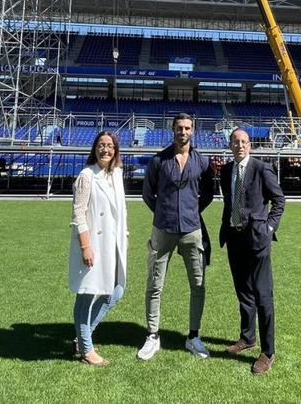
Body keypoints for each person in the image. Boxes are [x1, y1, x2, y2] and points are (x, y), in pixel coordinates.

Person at [205, 128, 285, 375]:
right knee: (243, 292)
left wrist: (269, 226)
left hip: (257, 239)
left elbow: (279, 200)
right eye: (235, 142)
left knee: (263, 295)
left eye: (244, 142)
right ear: (230, 145)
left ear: (250, 145)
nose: (240, 145)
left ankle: (268, 351)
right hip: (234, 238)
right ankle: (247, 337)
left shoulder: (261, 168)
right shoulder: (228, 170)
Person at [138, 113, 213, 360]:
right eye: (179, 127)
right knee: (155, 284)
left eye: (187, 127)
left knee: (198, 285)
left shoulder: (202, 161)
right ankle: (153, 335)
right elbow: (148, 194)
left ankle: (193, 337)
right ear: (173, 130)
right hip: (163, 229)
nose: (183, 131)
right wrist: (165, 212)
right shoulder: (159, 160)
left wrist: (190, 211)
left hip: (192, 230)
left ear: (193, 130)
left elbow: (209, 194)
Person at [68, 131, 128, 366]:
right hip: (92, 244)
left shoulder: (116, 174)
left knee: (115, 291)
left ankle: (82, 338)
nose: (106, 150)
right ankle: (86, 349)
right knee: (87, 296)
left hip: (112, 244)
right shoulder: (87, 176)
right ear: (94, 148)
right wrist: (86, 246)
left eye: (110, 146)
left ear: (116, 150)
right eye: (102, 145)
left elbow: (121, 210)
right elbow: (78, 214)